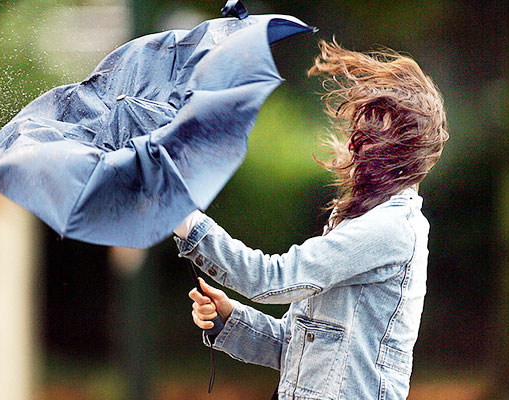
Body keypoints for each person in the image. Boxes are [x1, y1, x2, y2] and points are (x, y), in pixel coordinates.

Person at [174, 40, 448, 400]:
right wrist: (231, 318)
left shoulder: (390, 229)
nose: (358, 143)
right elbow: (293, 347)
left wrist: (186, 222)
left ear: (404, 152)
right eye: (364, 128)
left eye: (374, 132)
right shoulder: (356, 220)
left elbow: (270, 279)